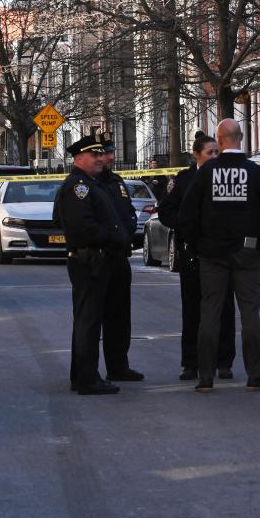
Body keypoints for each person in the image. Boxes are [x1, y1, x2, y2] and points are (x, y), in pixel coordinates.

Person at [178, 118, 260, 392]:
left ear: (219, 140)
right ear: (242, 137)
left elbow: (187, 215)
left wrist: (197, 245)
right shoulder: (256, 173)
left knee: (210, 312)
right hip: (247, 252)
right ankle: (255, 374)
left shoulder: (206, 173)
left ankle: (206, 376)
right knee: (250, 314)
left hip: (212, 254)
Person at [53, 134, 136, 395]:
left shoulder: (93, 184)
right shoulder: (78, 186)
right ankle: (87, 378)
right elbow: (82, 226)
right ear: (79, 158)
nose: (101, 159)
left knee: (106, 317)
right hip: (91, 260)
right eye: (95, 155)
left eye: (102, 154)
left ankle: (87, 374)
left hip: (106, 258)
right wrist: (111, 237)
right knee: (89, 321)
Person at [157, 131, 236, 381]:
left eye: (217, 152)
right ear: (196, 155)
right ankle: (191, 363)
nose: (214, 156)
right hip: (192, 253)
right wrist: (186, 226)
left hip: (222, 253)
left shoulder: (227, 176)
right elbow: (165, 211)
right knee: (192, 310)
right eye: (210, 152)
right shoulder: (183, 180)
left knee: (224, 308)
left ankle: (224, 362)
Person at [96, 138, 143, 383]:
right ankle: (90, 370)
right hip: (99, 258)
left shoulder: (116, 182)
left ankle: (118, 365)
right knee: (95, 316)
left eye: (111, 153)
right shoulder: (89, 184)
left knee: (120, 316)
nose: (111, 158)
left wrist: (129, 230)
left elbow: (128, 212)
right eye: (105, 154)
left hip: (119, 257)